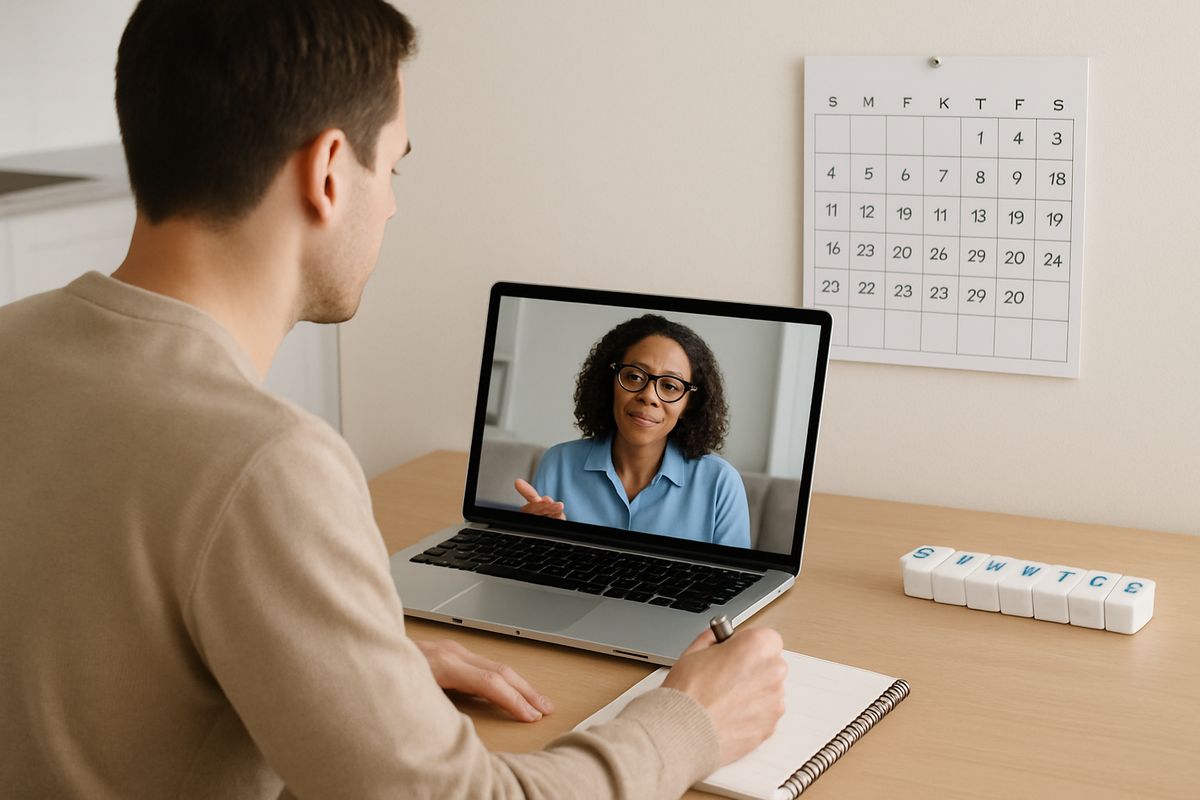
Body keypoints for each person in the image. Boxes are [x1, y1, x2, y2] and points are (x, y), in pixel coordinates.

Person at [0, 1, 787, 798]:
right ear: (329, 172)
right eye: (394, 167)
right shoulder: (266, 464)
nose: (392, 204)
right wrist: (691, 723)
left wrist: (364, 672)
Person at [516, 315, 752, 548]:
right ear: (611, 384)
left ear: (688, 404)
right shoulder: (559, 464)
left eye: (669, 386)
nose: (648, 396)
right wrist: (532, 542)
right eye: (634, 376)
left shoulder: (720, 483)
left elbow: (734, 582)